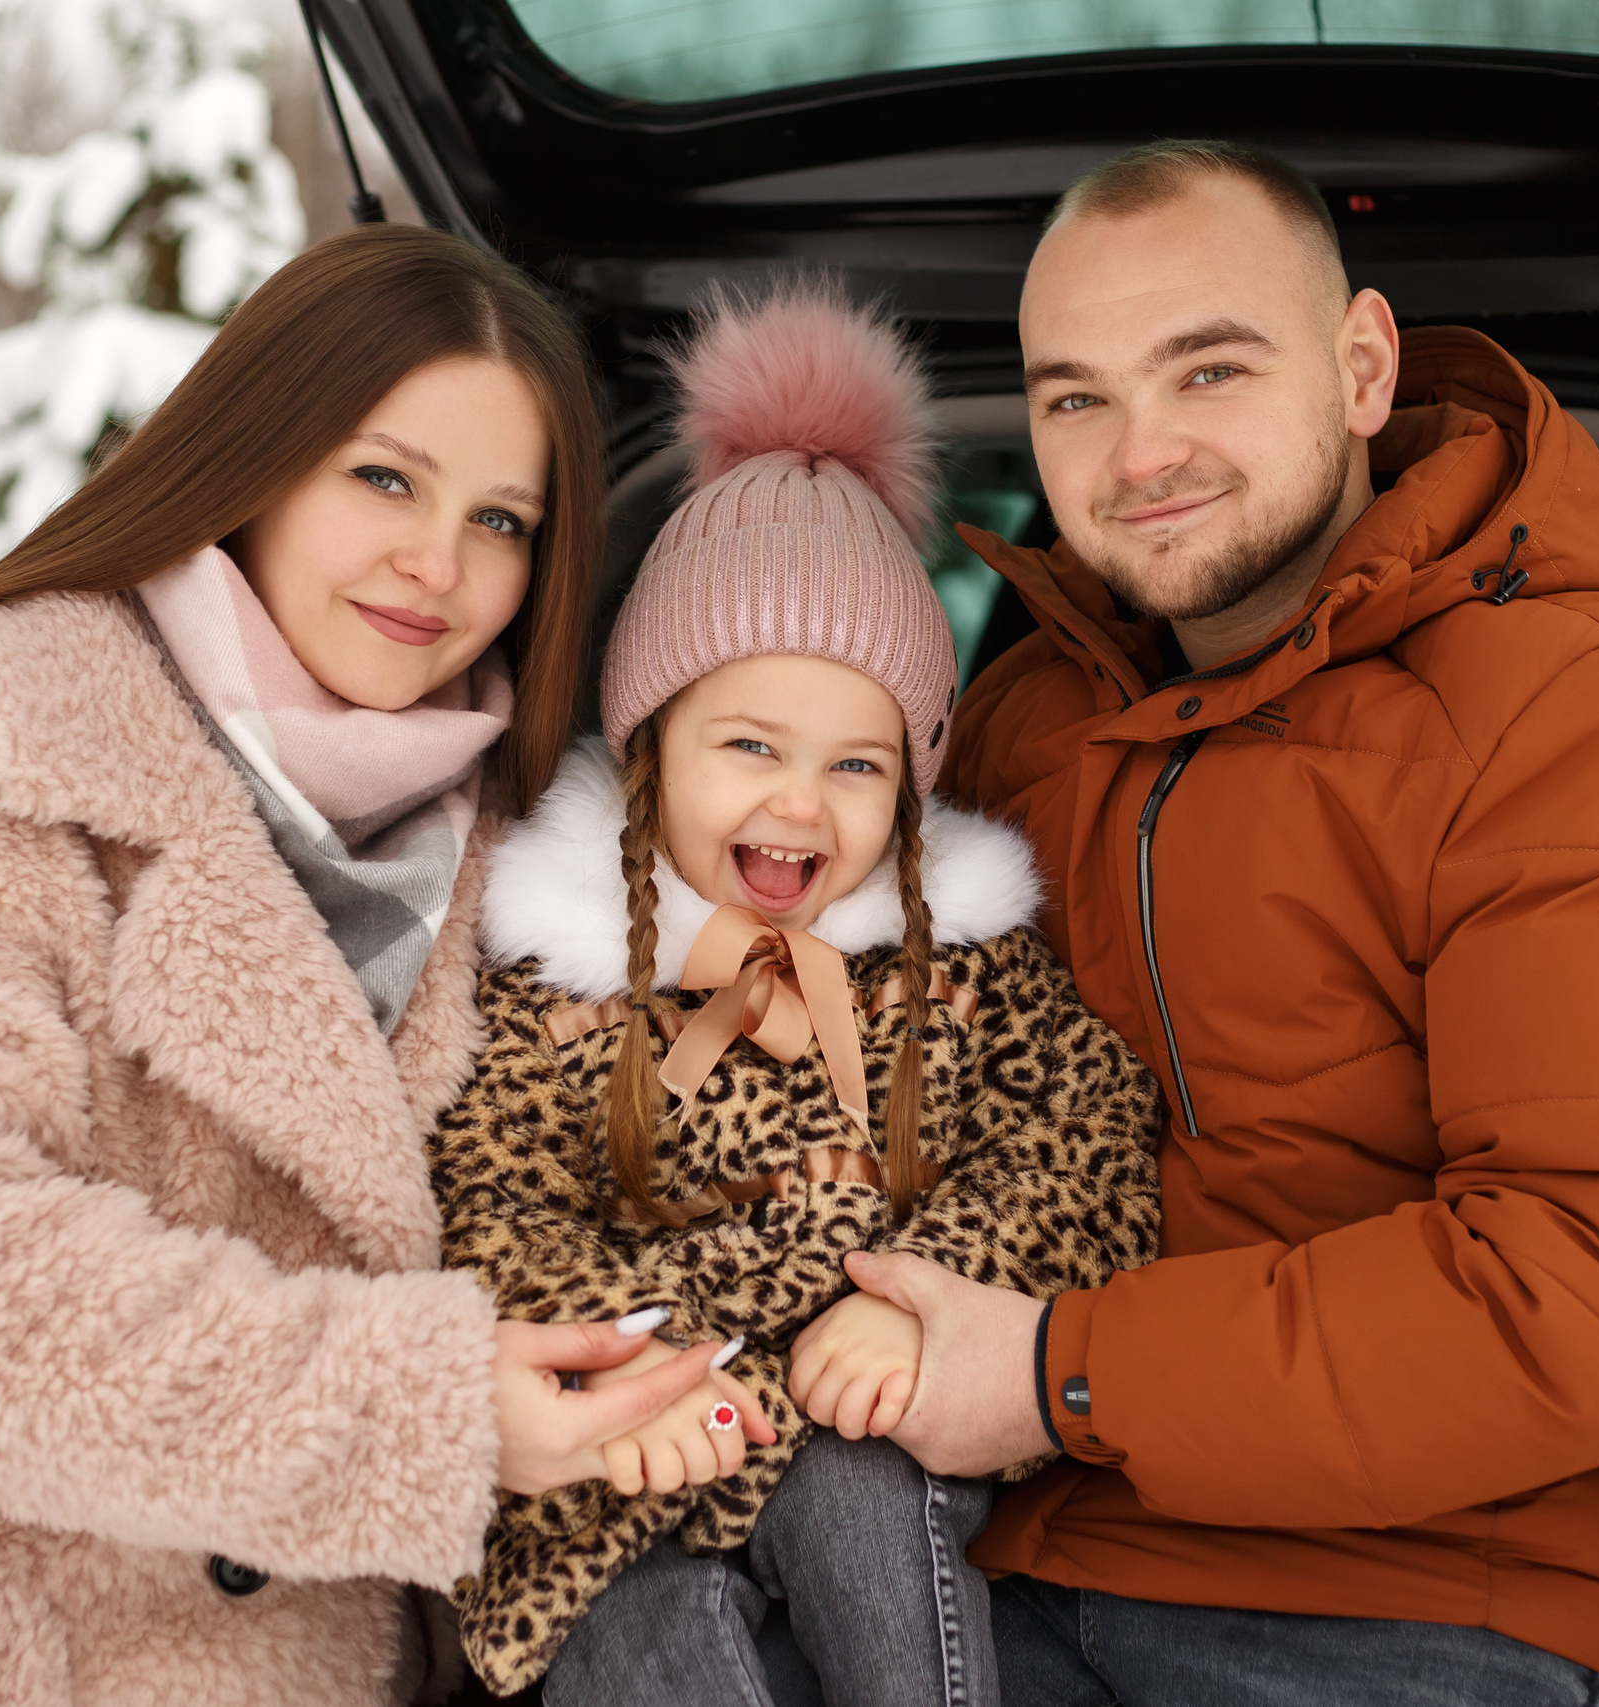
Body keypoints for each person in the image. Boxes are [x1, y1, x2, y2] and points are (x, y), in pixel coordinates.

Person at [0, 225, 774, 1707]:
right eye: (386, 477)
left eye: (502, 521)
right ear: (255, 460)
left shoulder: (521, 880)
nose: (438, 565)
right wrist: (423, 1411)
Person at [826, 142, 1599, 1707]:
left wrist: (1051, 1374)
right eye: (1074, 397)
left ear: (1362, 368)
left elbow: (1584, 1291)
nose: (1138, 450)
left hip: (1455, 1597)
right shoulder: (1023, 729)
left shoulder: (1583, 717)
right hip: (1012, 1559)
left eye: (1208, 370)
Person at [425, 284, 1163, 1706]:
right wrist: (635, 1377)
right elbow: (487, 1198)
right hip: (635, 1458)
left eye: (857, 766)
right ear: (648, 750)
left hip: (860, 1428)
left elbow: (1085, 1149)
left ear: (911, 782)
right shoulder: (560, 968)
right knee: (640, 1629)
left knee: (866, 1510)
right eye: (749, 744)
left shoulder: (964, 963)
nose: (798, 802)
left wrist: (922, 1310)